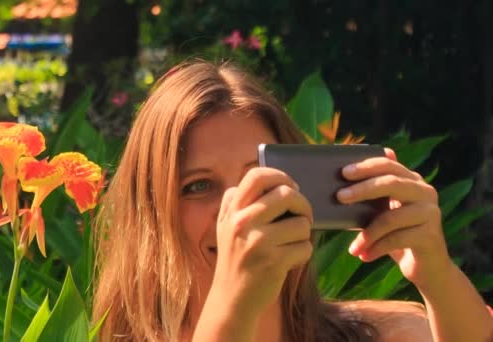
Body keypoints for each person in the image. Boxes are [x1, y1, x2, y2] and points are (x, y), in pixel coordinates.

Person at [91, 60, 493, 341]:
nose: (240, 207)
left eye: (259, 177)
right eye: (198, 186)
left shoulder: (389, 333)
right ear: (152, 212)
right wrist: (236, 303)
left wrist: (437, 275)